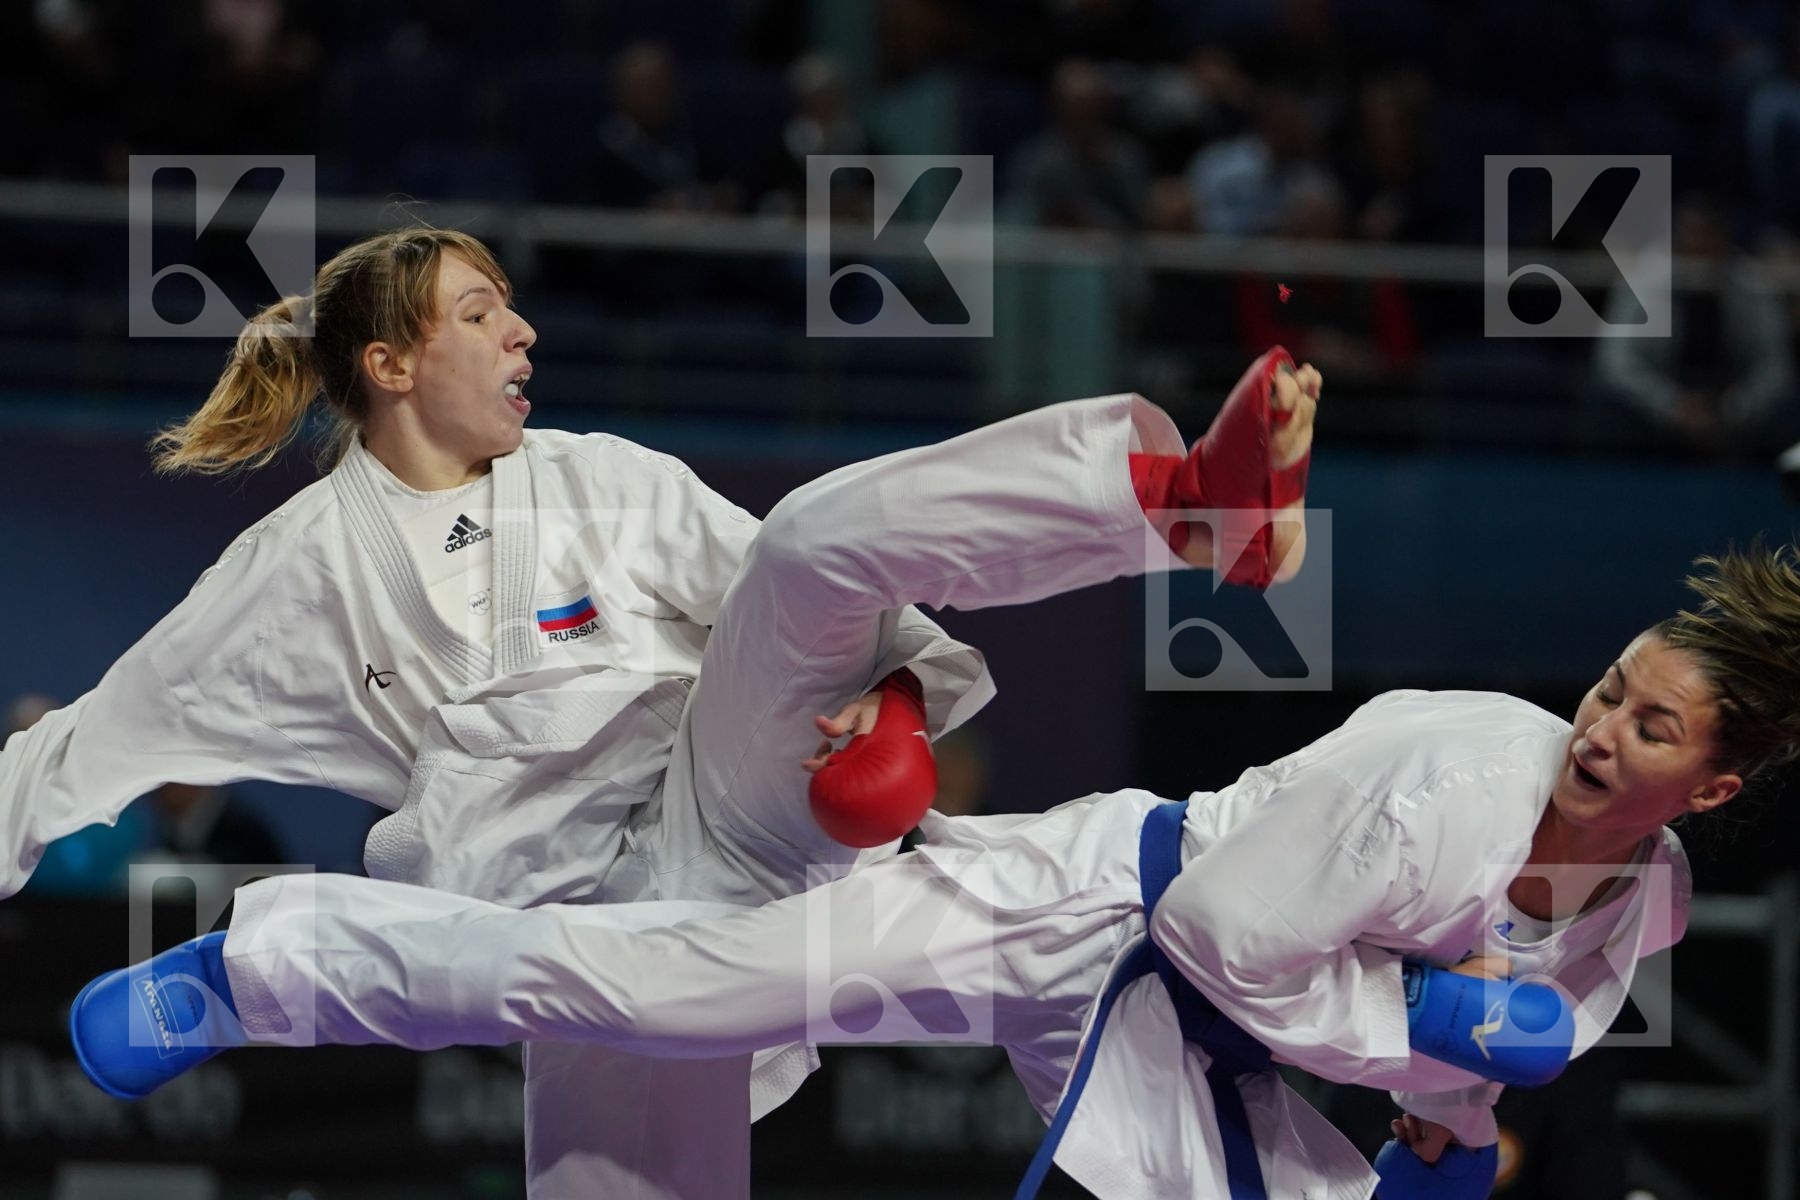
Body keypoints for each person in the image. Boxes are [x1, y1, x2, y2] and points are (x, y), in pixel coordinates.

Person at [15, 225, 1317, 1196]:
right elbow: (77, 751)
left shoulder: (606, 478)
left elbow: (824, 612)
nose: (524, 333)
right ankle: (241, 978)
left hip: (729, 807)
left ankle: (1187, 501)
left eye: (515, 307)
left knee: (810, 539)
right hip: (555, 925)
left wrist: (896, 706)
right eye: (483, 312)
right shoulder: (295, 573)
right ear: (392, 363)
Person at [74, 569, 1798, 1186]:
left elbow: (1459, 1090)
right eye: (1606, 687)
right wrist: (1422, 1022)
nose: (1599, 727)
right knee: (668, 990)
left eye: (1648, 729)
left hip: (1197, 1046)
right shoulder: (1457, 765)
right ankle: (258, 968)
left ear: (1705, 788)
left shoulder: (1637, 911)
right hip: (1091, 912)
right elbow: (1224, 939)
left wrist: (1452, 1116)